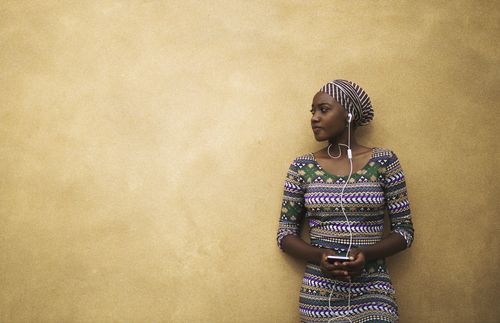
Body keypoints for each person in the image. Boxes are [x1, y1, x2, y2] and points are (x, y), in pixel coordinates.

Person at [276, 79, 414, 323]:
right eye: (313, 111)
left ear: (349, 114)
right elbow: (285, 235)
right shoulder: (301, 167)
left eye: (324, 109)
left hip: (374, 292)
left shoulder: (385, 161)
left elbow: (404, 232)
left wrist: (366, 254)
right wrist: (320, 256)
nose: (314, 118)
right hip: (320, 295)